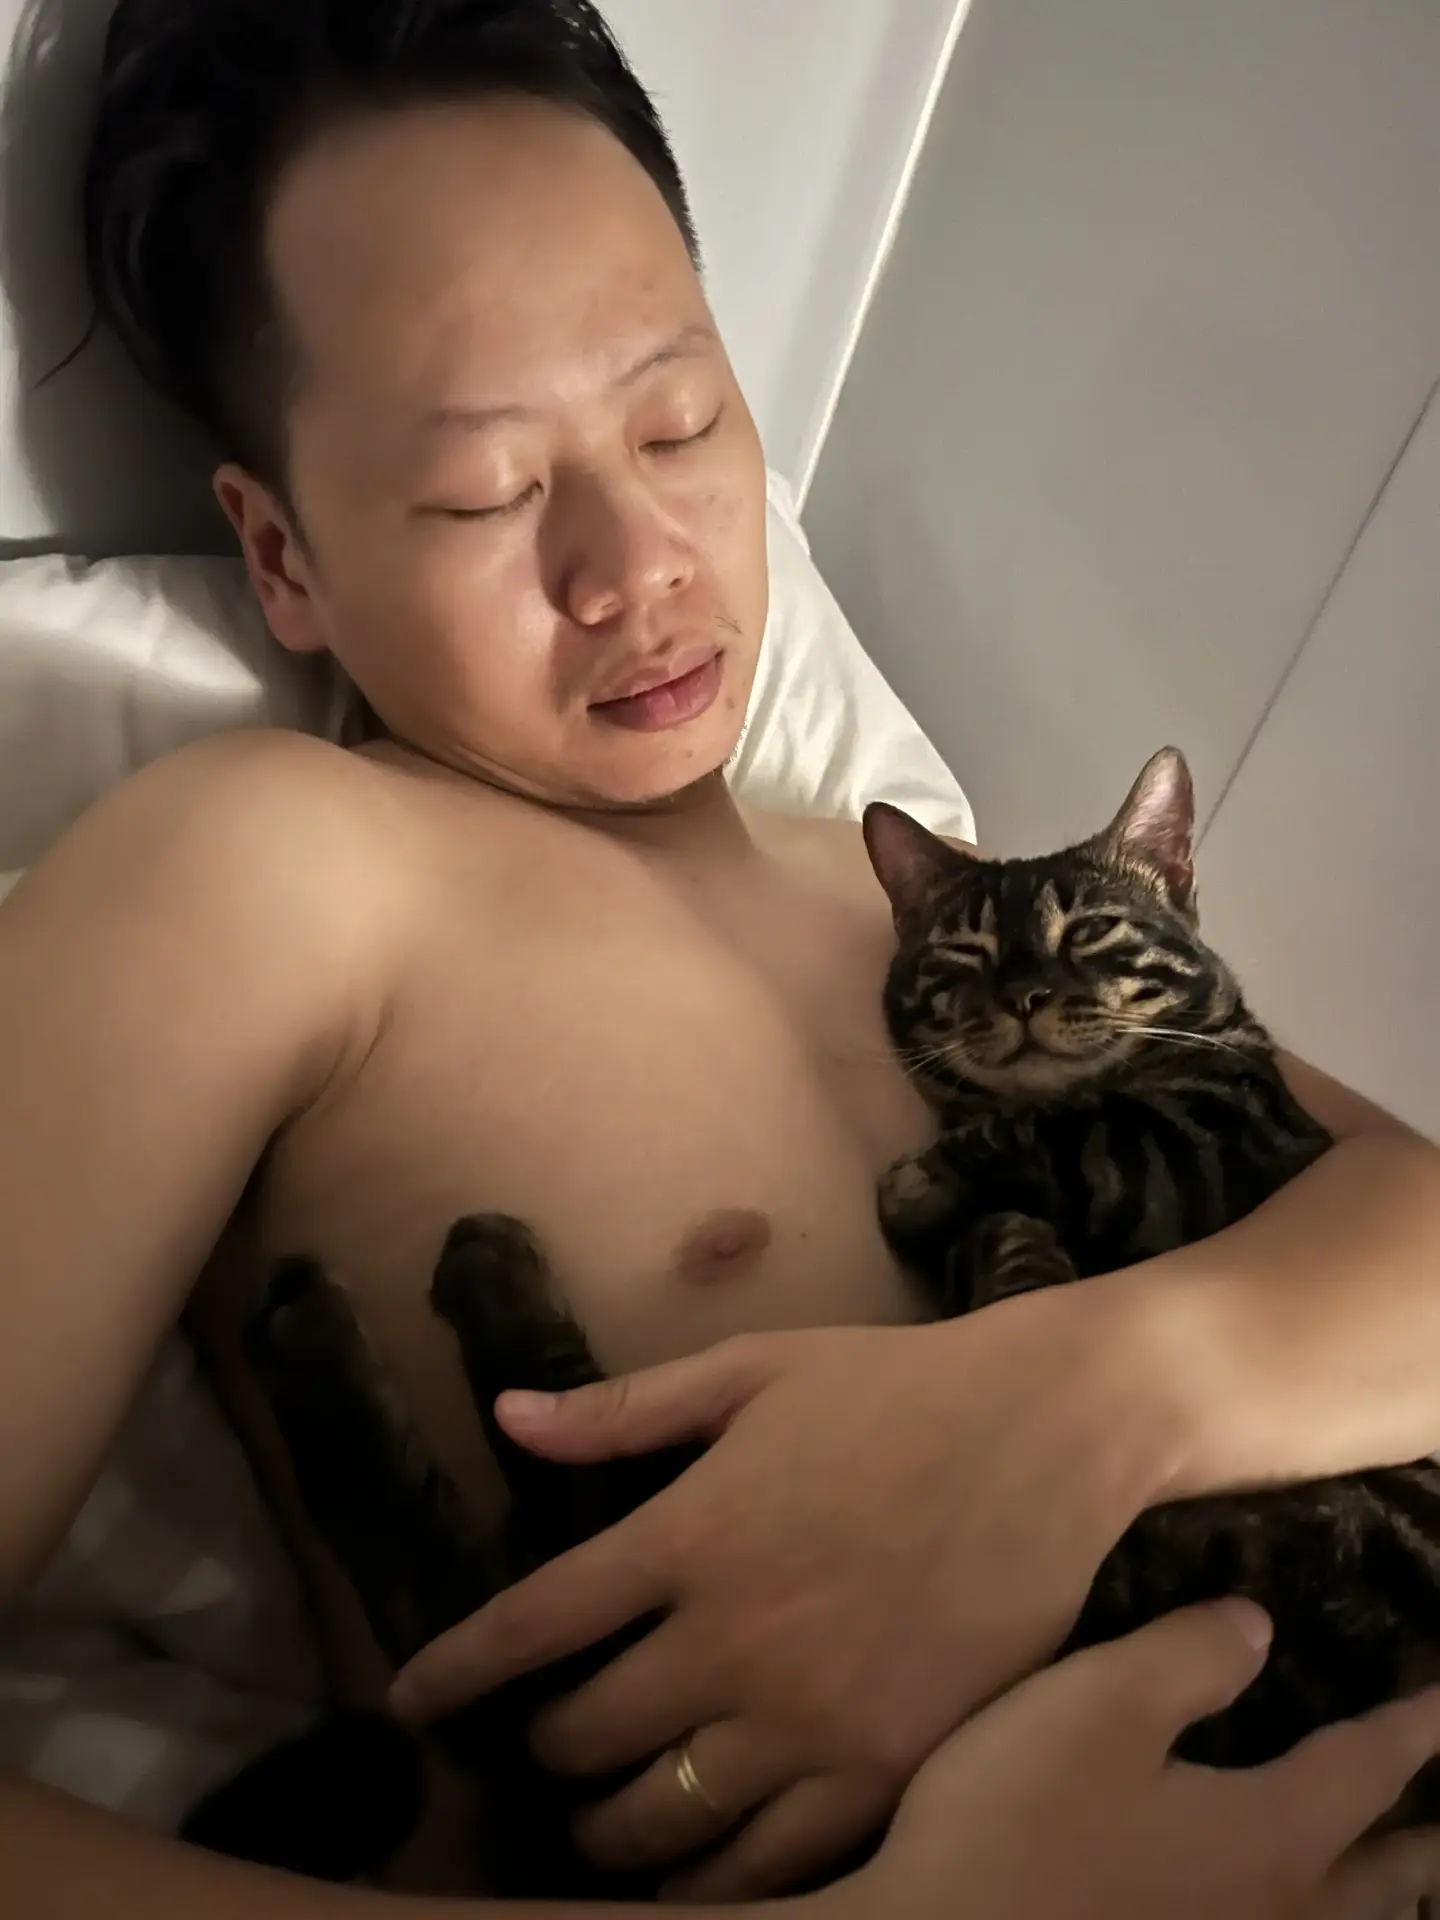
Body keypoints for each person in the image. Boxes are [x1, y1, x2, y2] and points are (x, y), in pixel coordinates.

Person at [2, 1, 1439, 1914]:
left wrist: (1075, 1411)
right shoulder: (268, 869)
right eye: (486, 491)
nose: (642, 563)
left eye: (679, 422)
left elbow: (1407, 1221)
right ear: (280, 558)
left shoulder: (930, 917)